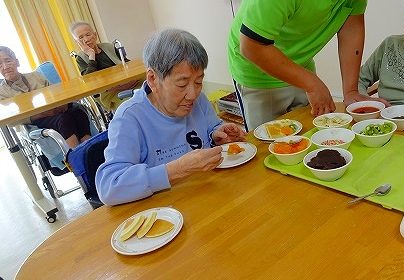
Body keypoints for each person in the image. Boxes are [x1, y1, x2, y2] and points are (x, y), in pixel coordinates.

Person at [95, 29, 247, 206]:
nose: (192, 94)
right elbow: (109, 187)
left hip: (209, 197)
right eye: (182, 84)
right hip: (167, 213)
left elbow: (211, 128)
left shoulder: (199, 100)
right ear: (153, 79)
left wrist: (217, 134)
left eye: (198, 82)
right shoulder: (129, 118)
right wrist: (178, 169)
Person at [227, 0, 384, 131]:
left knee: (309, 134)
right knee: (269, 146)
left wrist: (351, 91)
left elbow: (351, 27)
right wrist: (312, 84)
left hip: (300, 65)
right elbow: (251, 46)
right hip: (256, 69)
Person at [0, 46, 91, 148]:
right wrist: (39, 114)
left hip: (55, 110)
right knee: (64, 119)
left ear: (17, 62)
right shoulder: (2, 93)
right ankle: (76, 156)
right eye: (0, 64)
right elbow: (10, 121)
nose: (5, 66)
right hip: (36, 120)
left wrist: (63, 104)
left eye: (7, 61)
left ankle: (89, 146)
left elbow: (55, 92)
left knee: (77, 110)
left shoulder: (36, 76)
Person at [70, 21, 140, 111]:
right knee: (133, 105)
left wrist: (131, 77)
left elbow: (127, 64)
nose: (86, 39)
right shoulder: (80, 58)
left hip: (129, 83)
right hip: (110, 93)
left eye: (88, 34)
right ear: (77, 42)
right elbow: (89, 82)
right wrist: (91, 56)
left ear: (95, 35)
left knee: (153, 91)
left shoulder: (109, 47)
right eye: (81, 37)